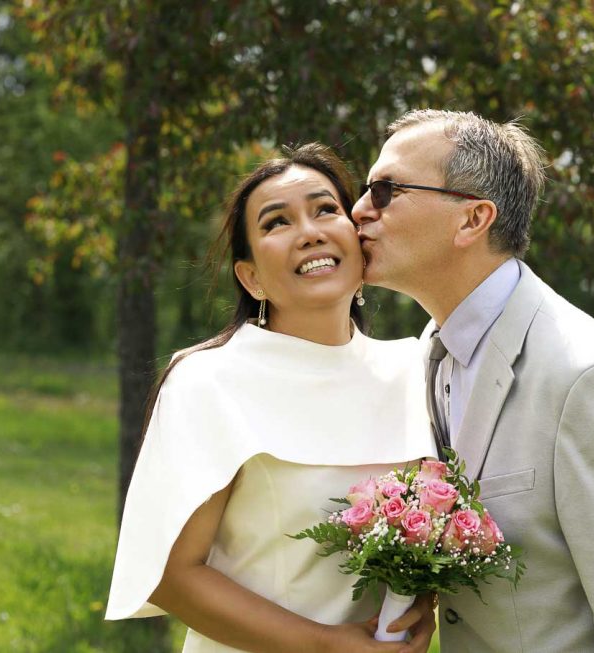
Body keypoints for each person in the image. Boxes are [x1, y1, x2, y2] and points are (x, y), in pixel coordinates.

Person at [352, 110, 594, 652]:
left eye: (385, 191)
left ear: (472, 219)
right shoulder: (428, 353)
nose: (358, 210)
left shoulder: (586, 380)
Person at [106, 143, 438, 653]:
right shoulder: (208, 381)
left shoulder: (414, 368)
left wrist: (421, 605)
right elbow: (170, 576)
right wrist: (324, 645)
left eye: (325, 209)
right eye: (277, 222)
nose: (309, 232)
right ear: (251, 277)